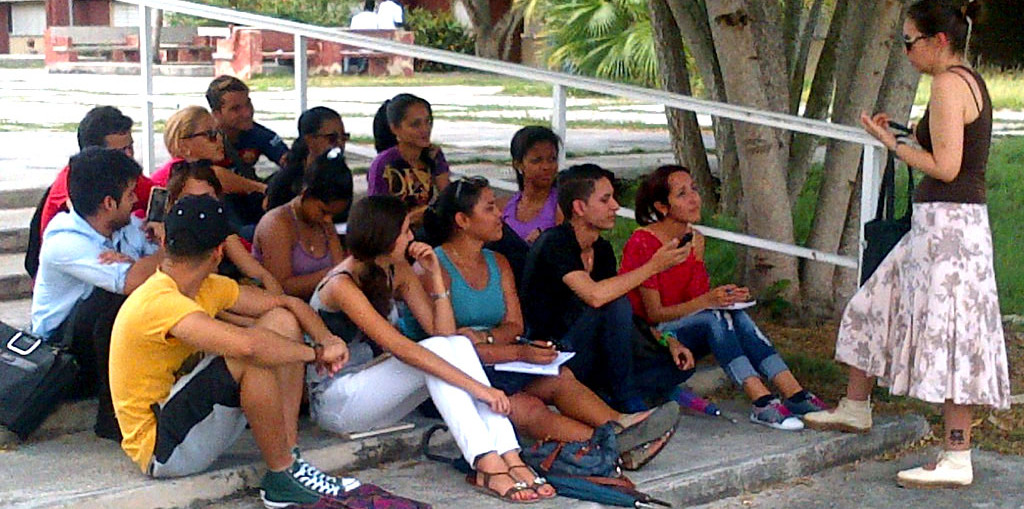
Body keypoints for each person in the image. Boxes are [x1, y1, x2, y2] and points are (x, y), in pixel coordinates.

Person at [804, 0, 1008, 489]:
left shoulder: (947, 83)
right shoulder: (967, 80)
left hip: (950, 229)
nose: (906, 51)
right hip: (943, 226)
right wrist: (897, 134)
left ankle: (957, 454)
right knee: (874, 302)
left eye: (909, 41)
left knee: (953, 336)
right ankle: (856, 405)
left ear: (939, 40)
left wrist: (893, 145)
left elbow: (947, 167)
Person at [108, 194, 360, 508]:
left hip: (182, 418)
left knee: (279, 320)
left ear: (166, 243)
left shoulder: (205, 285)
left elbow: (288, 303)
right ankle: (282, 477)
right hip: (160, 449)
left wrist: (327, 340)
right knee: (251, 357)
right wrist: (314, 354)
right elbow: (249, 346)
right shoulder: (159, 300)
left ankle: (290, 457)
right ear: (218, 252)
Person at [308, 196, 555, 503]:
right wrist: (480, 389)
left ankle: (507, 453)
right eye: (405, 231)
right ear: (382, 235)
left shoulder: (397, 269)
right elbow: (402, 349)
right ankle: (486, 461)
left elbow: (445, 334)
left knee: (457, 344)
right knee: (436, 352)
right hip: (336, 401)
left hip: (379, 398)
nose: (412, 237)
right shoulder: (341, 284)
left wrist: (435, 275)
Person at [417, 176, 676, 450]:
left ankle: (622, 424)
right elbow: (450, 347)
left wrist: (486, 338)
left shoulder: (499, 262)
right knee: (526, 407)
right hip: (451, 377)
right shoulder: (433, 267)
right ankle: (610, 445)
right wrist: (515, 351)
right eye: (490, 208)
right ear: (463, 221)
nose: (500, 214)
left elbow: (514, 326)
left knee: (559, 378)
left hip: (497, 360)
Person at [623, 165, 827, 431]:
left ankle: (794, 393)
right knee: (715, 316)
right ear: (663, 207)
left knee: (733, 313)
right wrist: (709, 302)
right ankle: (762, 401)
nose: (694, 198)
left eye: (694, 189)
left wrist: (725, 297)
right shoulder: (643, 242)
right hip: (649, 336)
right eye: (682, 194)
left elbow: (696, 299)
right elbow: (654, 313)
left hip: (684, 327)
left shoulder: (695, 239)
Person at [519, 164, 691, 413]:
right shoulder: (554, 243)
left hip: (593, 350)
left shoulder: (602, 250)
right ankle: (626, 399)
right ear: (579, 207)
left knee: (674, 362)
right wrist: (653, 266)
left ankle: (615, 391)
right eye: (605, 199)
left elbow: (621, 315)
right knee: (614, 304)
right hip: (553, 353)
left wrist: (666, 340)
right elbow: (596, 296)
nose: (616, 206)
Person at [31, 147, 164, 441]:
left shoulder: (125, 226)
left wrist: (146, 260)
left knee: (144, 295)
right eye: (130, 194)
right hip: (62, 355)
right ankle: (113, 414)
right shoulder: (65, 240)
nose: (135, 200)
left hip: (98, 339)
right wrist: (166, 253)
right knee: (113, 301)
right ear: (108, 203)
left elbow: (150, 271)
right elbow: (131, 281)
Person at [165, 160, 283, 295]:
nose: (201, 207)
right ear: (173, 203)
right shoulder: (169, 236)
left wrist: (281, 300)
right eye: (191, 199)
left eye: (207, 198)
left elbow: (260, 274)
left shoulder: (223, 232)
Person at [38, 106, 153, 240]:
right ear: (96, 155)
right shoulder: (76, 182)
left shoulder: (121, 175)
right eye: (121, 152)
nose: (129, 155)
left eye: (130, 147)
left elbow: (159, 194)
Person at [253, 149, 350, 300]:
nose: (328, 220)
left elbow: (340, 268)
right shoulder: (276, 224)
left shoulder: (324, 223)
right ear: (305, 193)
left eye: (333, 215)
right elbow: (281, 286)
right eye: (323, 211)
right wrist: (331, 274)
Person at [206, 75, 289, 226]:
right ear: (216, 114)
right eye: (235, 109)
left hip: (251, 201)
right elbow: (212, 177)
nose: (247, 113)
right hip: (219, 206)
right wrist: (262, 188)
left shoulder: (257, 133)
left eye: (248, 104)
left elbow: (289, 161)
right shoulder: (204, 139)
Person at [151, 106, 267, 200]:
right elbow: (218, 176)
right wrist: (266, 189)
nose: (220, 139)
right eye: (210, 134)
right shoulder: (185, 172)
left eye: (219, 132)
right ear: (184, 146)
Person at [368, 94, 450, 226]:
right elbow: (376, 214)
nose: (425, 129)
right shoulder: (384, 164)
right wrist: (412, 218)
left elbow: (448, 196)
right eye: (415, 124)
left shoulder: (433, 154)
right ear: (395, 128)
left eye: (428, 122)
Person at [265, 106, 349, 211]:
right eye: (332, 138)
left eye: (344, 137)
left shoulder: (342, 175)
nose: (340, 143)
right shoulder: (284, 182)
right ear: (309, 140)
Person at [502, 126, 563, 244]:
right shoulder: (504, 207)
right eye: (537, 160)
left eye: (552, 159)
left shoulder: (561, 206)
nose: (546, 166)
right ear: (518, 164)